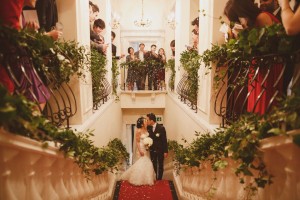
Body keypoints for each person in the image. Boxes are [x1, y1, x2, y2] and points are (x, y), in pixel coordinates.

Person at [224, 0, 283, 115]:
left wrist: (242, 36)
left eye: (237, 18)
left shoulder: (261, 18)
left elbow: (264, 46)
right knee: (257, 103)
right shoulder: (255, 19)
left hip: (267, 68)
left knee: (264, 103)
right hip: (259, 67)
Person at [120, 117, 155, 186]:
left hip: (146, 148)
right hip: (141, 148)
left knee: (147, 162)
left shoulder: (146, 130)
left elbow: (147, 139)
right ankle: (137, 179)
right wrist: (140, 150)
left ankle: (145, 178)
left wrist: (148, 144)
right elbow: (137, 142)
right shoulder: (138, 131)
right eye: (145, 121)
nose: (146, 122)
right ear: (142, 124)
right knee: (141, 162)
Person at [146, 113, 168, 180]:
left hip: (160, 150)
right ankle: (155, 177)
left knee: (160, 164)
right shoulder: (148, 128)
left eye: (147, 120)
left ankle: (159, 179)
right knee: (153, 164)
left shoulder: (161, 128)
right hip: (152, 150)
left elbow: (164, 140)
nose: (147, 121)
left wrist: (165, 151)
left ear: (152, 120)